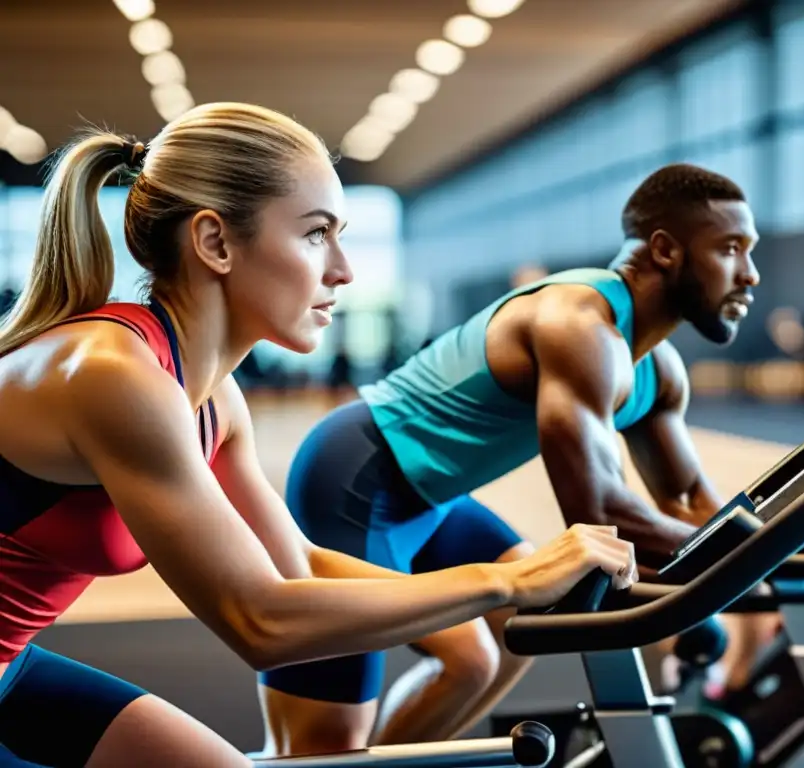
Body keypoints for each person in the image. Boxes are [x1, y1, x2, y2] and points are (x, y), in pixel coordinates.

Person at [0, 102, 638, 768]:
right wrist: (505, 584)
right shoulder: (113, 374)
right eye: (315, 234)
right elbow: (260, 620)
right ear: (215, 243)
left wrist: (499, 591)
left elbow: (294, 567)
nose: (344, 270)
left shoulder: (214, 394)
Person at [258, 163, 767, 757]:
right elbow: (600, 509)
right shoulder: (577, 323)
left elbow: (688, 505)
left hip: (434, 498)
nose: (750, 274)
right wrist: (752, 559)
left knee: (506, 642)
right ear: (664, 251)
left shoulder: (656, 369)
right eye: (731, 249)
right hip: (358, 476)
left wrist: (777, 548)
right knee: (321, 746)